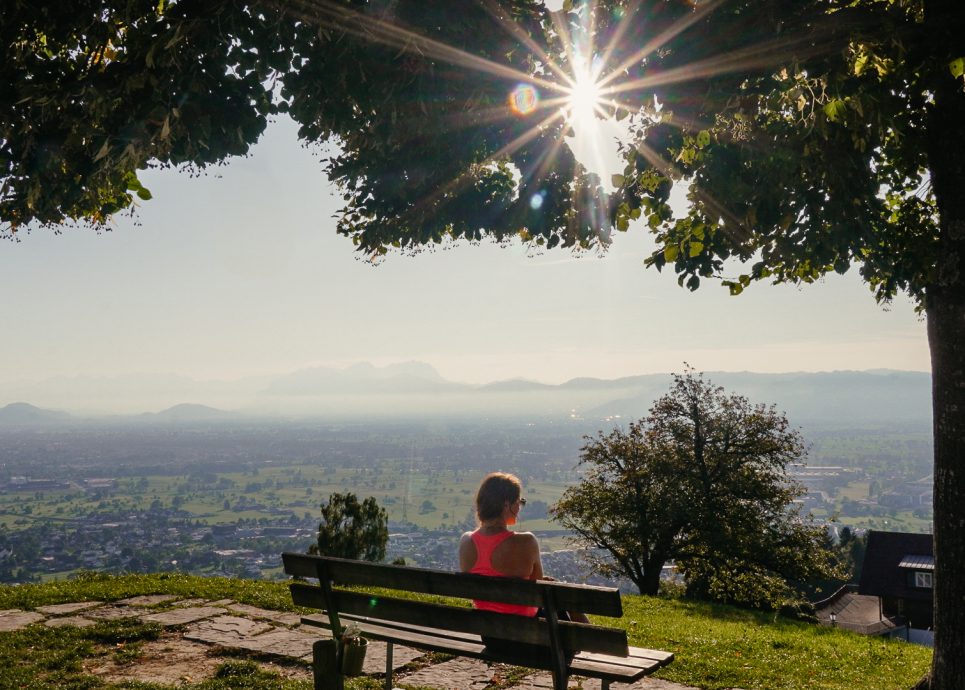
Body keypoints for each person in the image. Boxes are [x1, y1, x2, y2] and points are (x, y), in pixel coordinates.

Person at [458, 472, 588, 660]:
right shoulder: (526, 541)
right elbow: (538, 591)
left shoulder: (466, 541)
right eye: (519, 502)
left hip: (491, 637)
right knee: (564, 597)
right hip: (533, 638)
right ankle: (594, 641)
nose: (520, 507)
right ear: (506, 505)